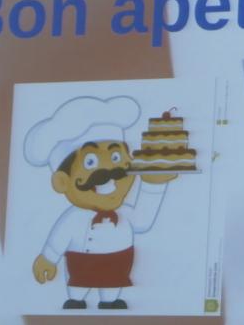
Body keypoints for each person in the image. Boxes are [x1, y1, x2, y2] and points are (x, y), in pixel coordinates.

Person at [23, 96, 176, 310]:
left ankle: (109, 301)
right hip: (81, 263)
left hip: (117, 263)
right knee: (78, 288)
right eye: (91, 161)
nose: (108, 171)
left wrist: (154, 185)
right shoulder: (75, 217)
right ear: (62, 181)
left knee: (112, 286)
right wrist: (48, 258)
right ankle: (76, 299)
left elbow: (142, 220)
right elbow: (60, 237)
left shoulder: (124, 214)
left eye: (116, 157)